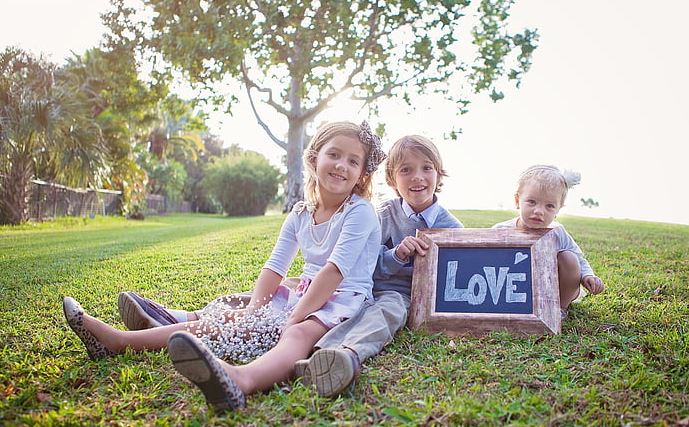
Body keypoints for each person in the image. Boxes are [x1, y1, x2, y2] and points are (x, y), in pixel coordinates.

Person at [62, 120, 387, 412]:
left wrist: (296, 316)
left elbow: (333, 272)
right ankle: (117, 341)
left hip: (345, 300)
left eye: (353, 161)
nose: (342, 165)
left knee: (298, 333)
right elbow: (274, 268)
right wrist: (254, 311)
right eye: (335, 154)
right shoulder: (300, 213)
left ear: (362, 175)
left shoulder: (359, 211)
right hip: (305, 294)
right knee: (230, 318)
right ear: (315, 157)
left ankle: (241, 380)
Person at [295, 134, 464, 396]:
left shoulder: (451, 228)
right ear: (391, 179)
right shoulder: (382, 215)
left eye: (426, 168)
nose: (417, 177)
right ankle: (309, 350)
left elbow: (456, 277)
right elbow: (363, 261)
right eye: (406, 170)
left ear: (438, 175)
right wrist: (396, 255)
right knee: (331, 303)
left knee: (385, 312)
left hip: (401, 294)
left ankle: (345, 354)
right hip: (362, 286)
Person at [492, 164, 605, 317]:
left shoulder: (557, 233)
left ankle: (559, 309)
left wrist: (587, 276)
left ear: (558, 209)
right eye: (531, 202)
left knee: (569, 258)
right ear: (518, 200)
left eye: (550, 206)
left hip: (553, 290)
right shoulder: (501, 230)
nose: (539, 211)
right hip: (516, 288)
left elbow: (579, 259)